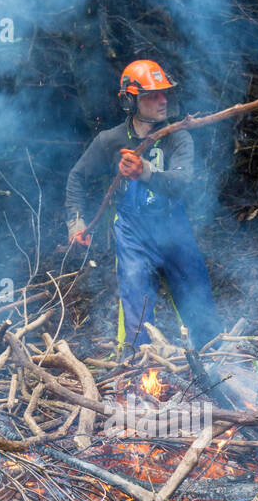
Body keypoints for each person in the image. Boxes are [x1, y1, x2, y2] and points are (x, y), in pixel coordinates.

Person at [65, 59, 221, 354]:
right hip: (131, 232)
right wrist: (76, 222)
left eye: (164, 93)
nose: (163, 100)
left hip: (173, 229)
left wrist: (144, 172)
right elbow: (77, 177)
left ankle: (214, 364)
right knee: (135, 300)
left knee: (197, 299)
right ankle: (136, 372)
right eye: (152, 95)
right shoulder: (110, 140)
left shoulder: (178, 136)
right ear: (130, 100)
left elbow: (183, 183)